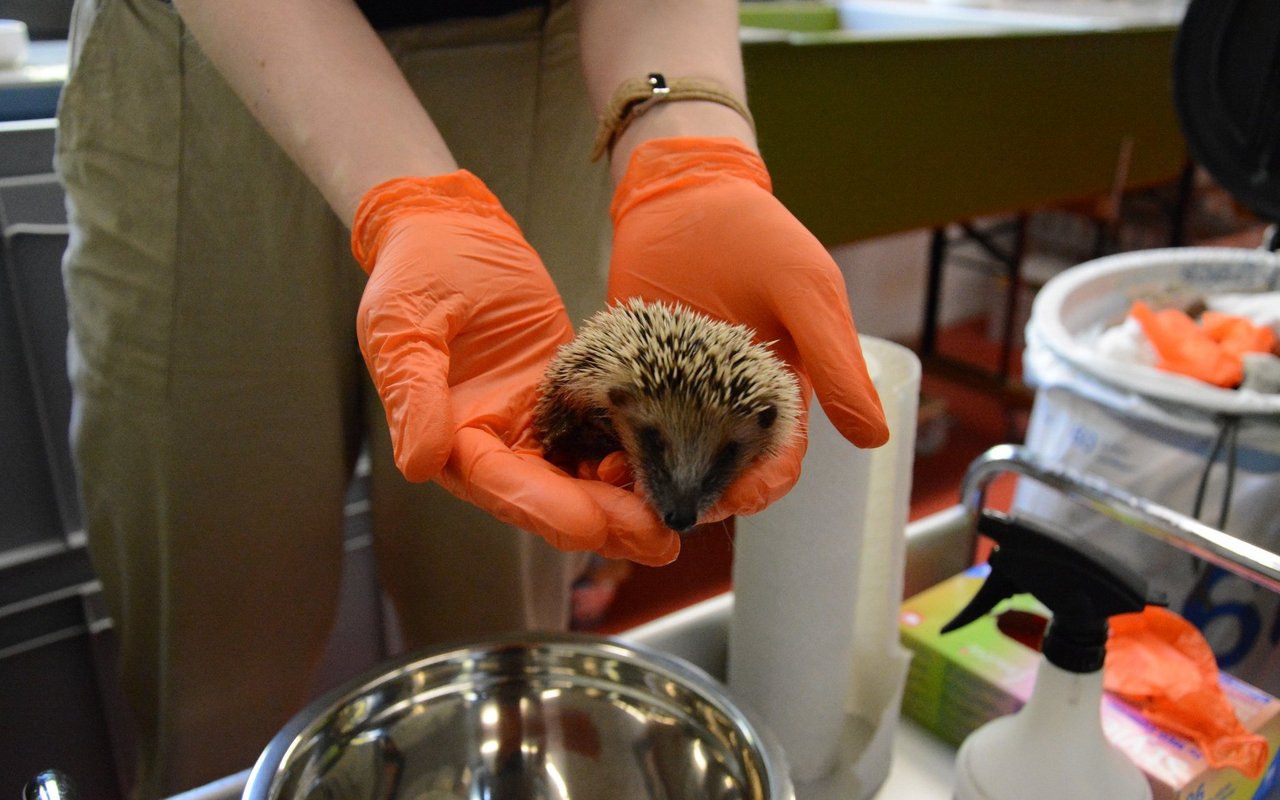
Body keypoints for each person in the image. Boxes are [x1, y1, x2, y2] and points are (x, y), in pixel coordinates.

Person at [55, 0, 889, 795]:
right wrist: (408, 197)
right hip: (203, 62)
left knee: (501, 631)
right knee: (216, 642)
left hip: (531, 57)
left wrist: (690, 147)